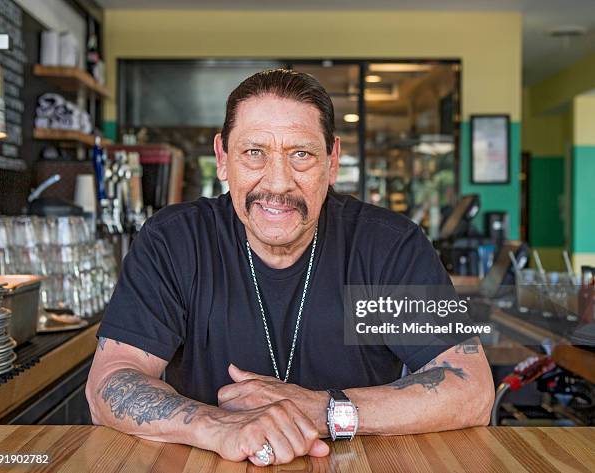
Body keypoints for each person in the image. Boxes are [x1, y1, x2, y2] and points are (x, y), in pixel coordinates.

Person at [86, 69, 494, 467]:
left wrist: (323, 410)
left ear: (332, 161)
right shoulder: (175, 242)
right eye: (254, 153)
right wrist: (220, 426)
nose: (278, 184)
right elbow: (110, 382)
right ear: (223, 158)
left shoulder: (385, 247)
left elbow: (471, 388)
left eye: (301, 154)